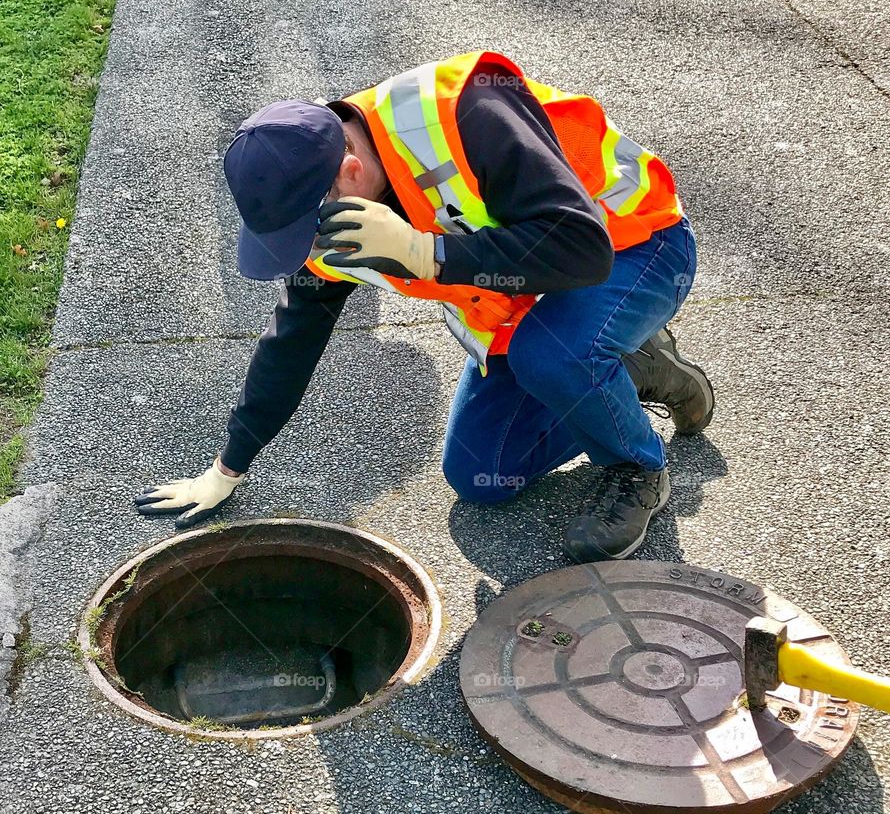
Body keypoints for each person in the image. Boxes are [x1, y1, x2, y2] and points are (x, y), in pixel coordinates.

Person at [134, 50, 714, 562]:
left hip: (636, 244)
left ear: (347, 171)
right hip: (535, 300)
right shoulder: (331, 217)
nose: (310, 249)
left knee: (551, 355)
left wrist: (425, 251)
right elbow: (291, 345)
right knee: (483, 474)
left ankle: (636, 465)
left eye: (305, 230)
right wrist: (226, 469)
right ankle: (630, 372)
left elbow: (583, 250)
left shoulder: (468, 109)